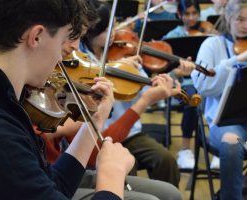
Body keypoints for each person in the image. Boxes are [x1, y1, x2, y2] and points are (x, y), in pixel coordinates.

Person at [0, 0, 137, 199]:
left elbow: (51, 186)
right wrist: (111, 173)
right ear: (36, 36)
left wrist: (95, 120)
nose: (62, 56)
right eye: (63, 39)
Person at [79, 0, 197, 187]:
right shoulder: (80, 58)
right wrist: (112, 68)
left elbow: (146, 87)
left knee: (166, 160)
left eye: (114, 25)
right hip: (99, 136)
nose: (113, 33)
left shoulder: (124, 55)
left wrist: (175, 75)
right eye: (106, 30)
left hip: (130, 132)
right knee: (127, 171)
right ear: (90, 32)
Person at [192, 0, 247, 198]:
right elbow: (203, 86)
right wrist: (236, 61)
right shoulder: (212, 45)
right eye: (240, 19)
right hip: (224, 122)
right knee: (232, 143)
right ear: (228, 18)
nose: (245, 25)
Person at [162, 0, 221, 169]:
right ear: (179, 15)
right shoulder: (172, 36)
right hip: (184, 81)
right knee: (192, 98)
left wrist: (215, 35)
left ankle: (217, 147)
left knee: (221, 98)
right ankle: (185, 149)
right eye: (187, 14)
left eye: (194, 13)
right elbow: (167, 69)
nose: (191, 17)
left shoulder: (207, 33)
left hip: (208, 79)